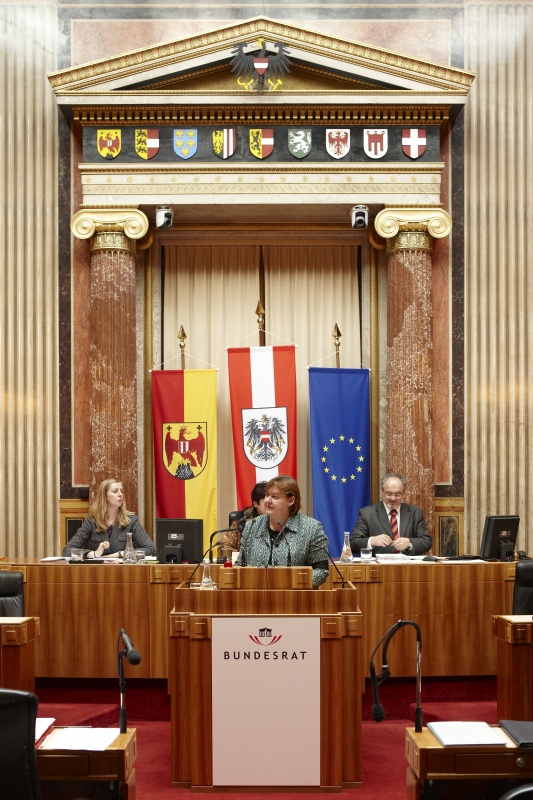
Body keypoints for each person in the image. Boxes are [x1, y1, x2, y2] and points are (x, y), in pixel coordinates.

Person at [235, 474, 329, 588]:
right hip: (255, 599)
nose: (267, 500)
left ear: (291, 500)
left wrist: (291, 583)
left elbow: (321, 570)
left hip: (295, 600)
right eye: (267, 495)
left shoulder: (311, 528)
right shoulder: (252, 526)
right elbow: (239, 565)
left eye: (275, 497)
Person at [62, 478, 156, 559]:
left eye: (121, 491)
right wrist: (94, 554)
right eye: (115, 491)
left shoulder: (131, 520)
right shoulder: (92, 521)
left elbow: (151, 549)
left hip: (124, 573)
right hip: (97, 574)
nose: (120, 494)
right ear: (104, 496)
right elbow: (68, 550)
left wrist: (120, 554)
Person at [350, 471, 432, 556]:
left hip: (407, 567)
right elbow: (353, 544)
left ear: (404, 493)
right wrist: (372, 541)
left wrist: (409, 543)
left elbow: (427, 542)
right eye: (389, 494)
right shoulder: (367, 514)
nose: (393, 498)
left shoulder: (415, 513)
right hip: (379, 567)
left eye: (397, 494)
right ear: (382, 491)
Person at [225, 481, 267, 552]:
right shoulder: (241, 521)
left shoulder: (279, 521)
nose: (270, 504)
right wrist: (244, 556)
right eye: (266, 503)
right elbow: (224, 547)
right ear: (255, 504)